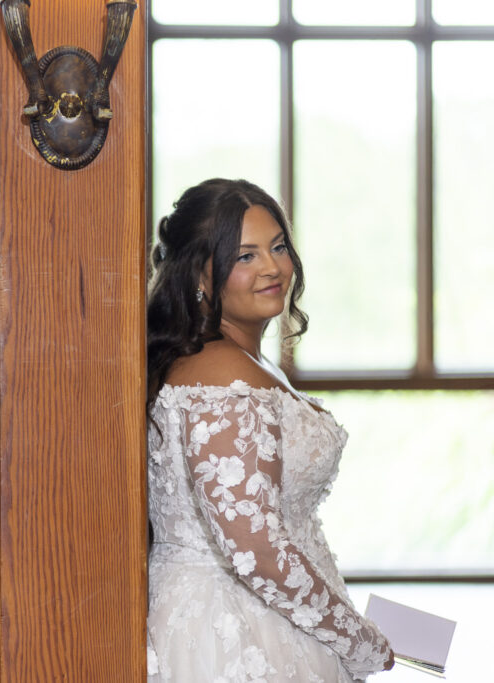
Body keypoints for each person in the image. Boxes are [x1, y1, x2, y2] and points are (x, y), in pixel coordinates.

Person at [144, 178, 394, 682]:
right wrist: (357, 638)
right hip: (233, 626)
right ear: (200, 275)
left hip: (270, 612)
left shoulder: (239, 360)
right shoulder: (220, 376)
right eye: (246, 257)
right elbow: (254, 549)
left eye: (278, 247)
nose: (273, 268)